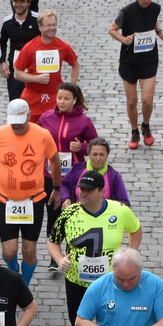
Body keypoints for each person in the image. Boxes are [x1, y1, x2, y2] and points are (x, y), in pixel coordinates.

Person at [49, 172, 142, 326]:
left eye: (90, 191)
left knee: (111, 325)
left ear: (102, 192)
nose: (83, 194)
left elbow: (136, 230)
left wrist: (129, 254)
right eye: (82, 189)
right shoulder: (69, 212)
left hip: (111, 282)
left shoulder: (119, 211)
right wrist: (60, 258)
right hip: (77, 281)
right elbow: (53, 241)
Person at [0, 99, 57, 284]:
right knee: (9, 252)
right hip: (6, 200)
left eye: (19, 123)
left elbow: (55, 160)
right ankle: (13, 267)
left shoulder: (42, 135)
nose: (16, 127)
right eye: (13, 124)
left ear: (28, 116)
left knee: (29, 250)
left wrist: (56, 188)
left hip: (34, 200)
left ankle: (23, 285)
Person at [111, 0, 163, 149]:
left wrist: (159, 31)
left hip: (149, 58)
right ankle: (134, 131)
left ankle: (146, 126)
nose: (146, 1)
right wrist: (124, 39)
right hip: (130, 61)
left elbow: (154, 21)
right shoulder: (127, 11)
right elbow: (112, 29)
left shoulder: (155, 8)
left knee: (147, 101)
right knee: (132, 101)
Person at [37, 81, 96, 229]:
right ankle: (54, 250)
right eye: (59, 98)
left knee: (73, 218)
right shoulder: (46, 118)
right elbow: (34, 139)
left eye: (66, 99)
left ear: (74, 100)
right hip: (49, 174)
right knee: (53, 217)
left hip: (73, 175)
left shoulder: (84, 121)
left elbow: (96, 146)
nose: (62, 102)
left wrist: (81, 147)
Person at [11, 10, 76, 123]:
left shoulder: (63, 46)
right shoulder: (29, 47)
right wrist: (35, 78)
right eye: (48, 25)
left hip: (54, 98)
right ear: (40, 27)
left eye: (54, 24)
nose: (52, 28)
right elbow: (17, 73)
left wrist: (71, 87)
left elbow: (75, 65)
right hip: (33, 98)